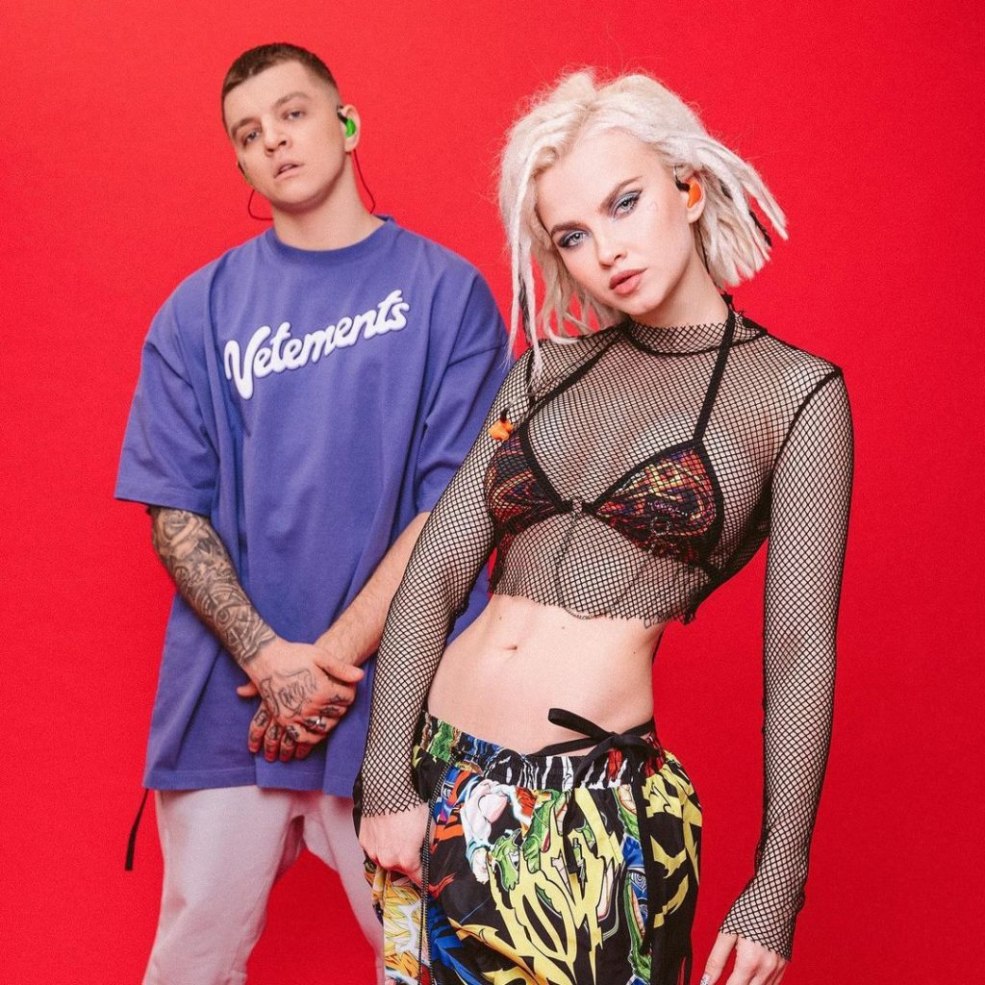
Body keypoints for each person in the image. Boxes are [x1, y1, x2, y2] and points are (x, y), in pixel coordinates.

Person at [357, 70, 853, 985]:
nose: (607, 251)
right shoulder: (543, 372)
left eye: (624, 203)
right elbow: (437, 570)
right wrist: (386, 775)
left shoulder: (793, 395)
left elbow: (797, 650)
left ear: (687, 187)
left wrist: (775, 884)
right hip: (436, 782)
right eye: (573, 235)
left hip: (588, 823)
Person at [115, 42, 508, 985]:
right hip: (228, 714)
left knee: (428, 967)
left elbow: (457, 508)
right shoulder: (196, 311)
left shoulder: (448, 293)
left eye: (292, 113)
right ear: (240, 162)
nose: (274, 141)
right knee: (190, 967)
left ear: (346, 122)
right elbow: (174, 511)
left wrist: (322, 664)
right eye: (248, 133)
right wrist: (270, 663)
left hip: (402, 706)